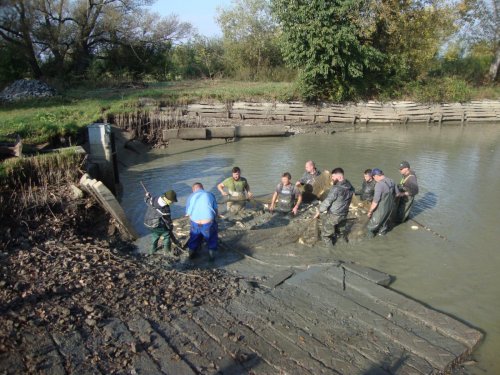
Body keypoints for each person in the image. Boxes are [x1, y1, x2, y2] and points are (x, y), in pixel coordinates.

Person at [314, 168, 355, 246]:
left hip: (334, 215)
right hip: (344, 214)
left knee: (325, 235)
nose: (332, 179)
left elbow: (327, 201)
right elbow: (353, 192)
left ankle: (329, 254)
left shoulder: (336, 188)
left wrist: (319, 211)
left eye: (333, 177)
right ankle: (343, 248)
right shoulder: (349, 185)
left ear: (339, 177)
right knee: (340, 233)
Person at [185, 182, 218, 260]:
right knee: (212, 238)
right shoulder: (210, 194)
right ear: (202, 188)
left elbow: (187, 214)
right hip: (208, 222)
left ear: (193, 190)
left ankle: (191, 255)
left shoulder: (190, 196)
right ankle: (212, 258)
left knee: (194, 237)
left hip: (195, 223)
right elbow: (216, 211)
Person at [143, 189, 178, 254]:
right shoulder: (165, 209)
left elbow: (146, 200)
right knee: (166, 235)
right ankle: (167, 252)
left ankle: (152, 251)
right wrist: (170, 227)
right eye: (172, 201)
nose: (172, 203)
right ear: (168, 200)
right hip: (155, 224)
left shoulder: (154, 199)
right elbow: (168, 221)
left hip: (147, 222)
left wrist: (147, 196)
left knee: (155, 235)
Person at [366, 169, 396, 237]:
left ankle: (369, 242)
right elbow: (397, 194)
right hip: (390, 209)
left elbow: (375, 201)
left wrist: (370, 211)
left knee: (370, 228)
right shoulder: (392, 181)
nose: (373, 179)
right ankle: (381, 236)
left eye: (373, 177)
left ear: (376, 175)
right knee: (383, 227)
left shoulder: (379, 184)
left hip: (381, 210)